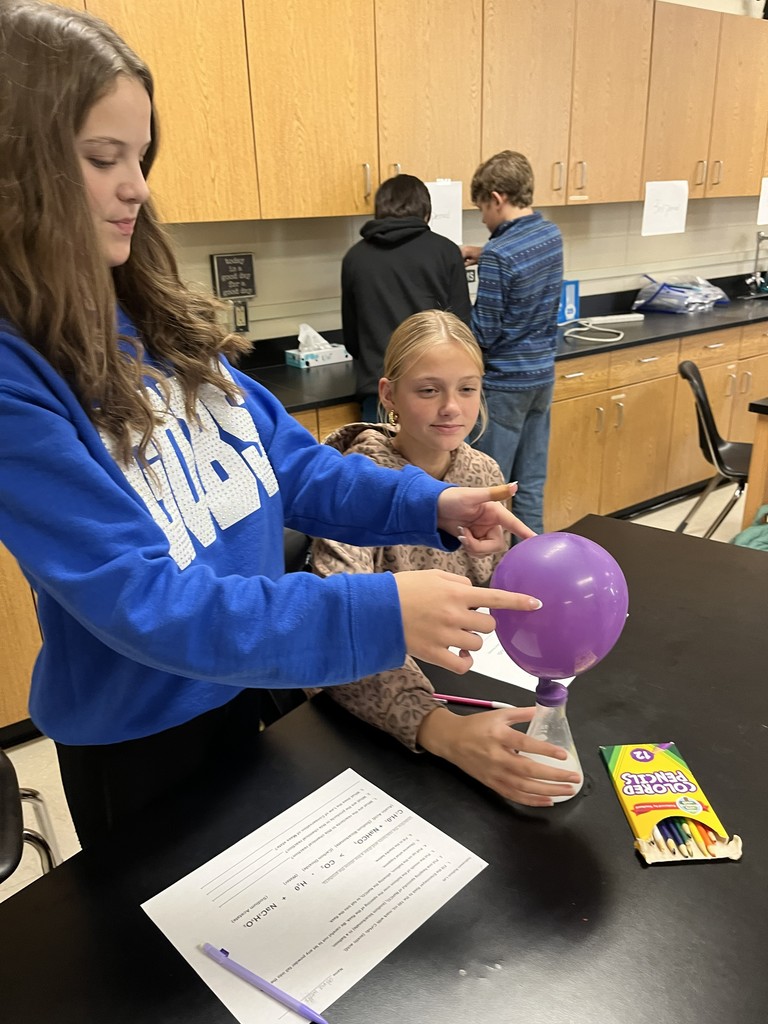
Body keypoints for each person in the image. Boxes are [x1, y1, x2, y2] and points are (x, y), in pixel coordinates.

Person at [0, 3, 543, 846]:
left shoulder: (156, 323)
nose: (136, 186)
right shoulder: (16, 382)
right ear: (17, 168)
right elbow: (146, 602)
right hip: (141, 736)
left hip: (255, 680)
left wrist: (426, 505)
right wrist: (374, 612)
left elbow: (291, 466)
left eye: (140, 157)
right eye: (103, 158)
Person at [311, 311, 581, 806]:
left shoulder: (482, 472)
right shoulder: (355, 483)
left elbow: (497, 594)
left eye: (467, 389)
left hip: (467, 673)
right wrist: (436, 724)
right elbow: (339, 630)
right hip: (385, 703)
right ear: (389, 395)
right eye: (428, 390)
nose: (452, 408)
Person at [461, 151, 564, 536]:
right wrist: (483, 252)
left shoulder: (499, 256)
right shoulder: (551, 235)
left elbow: (484, 333)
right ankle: (531, 560)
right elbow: (522, 259)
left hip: (505, 386)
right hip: (541, 378)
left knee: (490, 490)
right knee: (530, 483)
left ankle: (489, 567)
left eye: (481, 209)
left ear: (497, 198)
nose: (482, 219)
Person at [341, 174, 471, 423]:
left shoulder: (355, 258)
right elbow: (461, 328)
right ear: (426, 212)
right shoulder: (445, 252)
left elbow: (352, 340)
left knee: (380, 449)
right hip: (435, 391)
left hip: (380, 390)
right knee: (435, 451)